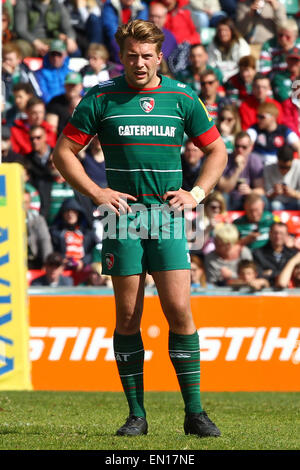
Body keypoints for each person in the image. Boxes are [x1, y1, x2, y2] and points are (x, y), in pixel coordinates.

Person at [53, 19, 227, 438]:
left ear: (159, 56)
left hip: (167, 216)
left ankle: (196, 413)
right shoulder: (102, 96)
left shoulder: (181, 96)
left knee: (180, 310)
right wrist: (96, 192)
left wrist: (196, 194)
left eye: (146, 55)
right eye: (131, 55)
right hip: (122, 216)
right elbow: (64, 151)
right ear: (122, 56)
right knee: (128, 315)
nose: (139, 63)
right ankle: (136, 415)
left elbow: (217, 150)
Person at [14, 0, 79, 58]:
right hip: (29, 41)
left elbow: (68, 28)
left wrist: (71, 38)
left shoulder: (58, 6)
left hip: (52, 40)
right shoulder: (24, 3)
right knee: (19, 48)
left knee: (73, 49)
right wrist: (36, 43)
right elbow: (21, 29)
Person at [218, 131, 264, 210]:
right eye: (237, 146)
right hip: (230, 198)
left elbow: (261, 190)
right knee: (223, 197)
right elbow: (224, 189)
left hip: (247, 198)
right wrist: (238, 169)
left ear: (250, 148)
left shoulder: (255, 160)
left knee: (262, 199)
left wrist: (250, 191)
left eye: (244, 147)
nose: (240, 150)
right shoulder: (225, 160)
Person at [247, 102, 300, 166]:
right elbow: (246, 143)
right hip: (258, 165)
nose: (258, 119)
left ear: (273, 117)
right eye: (258, 116)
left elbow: (298, 146)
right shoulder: (254, 129)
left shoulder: (283, 130)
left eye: (262, 117)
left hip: (278, 166)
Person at [252, 221, 298, 285]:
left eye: (281, 233)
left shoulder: (293, 254)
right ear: (269, 234)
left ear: (287, 235)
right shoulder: (258, 253)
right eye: (275, 233)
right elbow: (258, 275)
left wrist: (272, 273)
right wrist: (283, 274)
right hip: (265, 292)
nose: (278, 236)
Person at [207, 18, 250, 82]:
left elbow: (244, 65)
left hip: (237, 77)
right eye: (220, 30)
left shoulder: (241, 44)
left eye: (226, 30)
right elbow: (211, 65)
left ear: (231, 31)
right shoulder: (213, 44)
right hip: (218, 78)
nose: (222, 33)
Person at [2, 42, 42, 113]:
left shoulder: (25, 71)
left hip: (26, 108)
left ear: (18, 59)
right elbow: (4, 98)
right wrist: (8, 77)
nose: (7, 62)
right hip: (7, 109)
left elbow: (36, 92)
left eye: (10, 59)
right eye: (4, 59)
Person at [34, 39, 72, 105]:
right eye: (53, 54)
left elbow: (79, 91)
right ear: (48, 55)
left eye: (59, 54)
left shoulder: (71, 73)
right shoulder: (40, 74)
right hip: (51, 106)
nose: (55, 58)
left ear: (65, 55)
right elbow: (43, 94)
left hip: (69, 106)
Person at [46, 71, 84, 136]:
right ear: (64, 85)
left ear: (81, 86)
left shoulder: (87, 102)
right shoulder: (55, 102)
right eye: (69, 85)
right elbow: (51, 129)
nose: (71, 88)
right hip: (60, 140)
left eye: (74, 85)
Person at [263, 144, 300, 210]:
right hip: (277, 204)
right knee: (275, 205)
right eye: (282, 167)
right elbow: (266, 197)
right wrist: (274, 192)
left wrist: (293, 193)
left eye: (288, 167)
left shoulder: (298, 166)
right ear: (277, 160)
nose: (284, 170)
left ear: (293, 161)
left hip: (295, 202)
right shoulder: (268, 168)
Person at [24, 190, 53, 269]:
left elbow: (45, 240)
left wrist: (47, 263)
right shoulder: (9, 222)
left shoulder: (38, 220)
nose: (23, 205)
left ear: (29, 204)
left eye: (25, 202)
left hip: (34, 260)